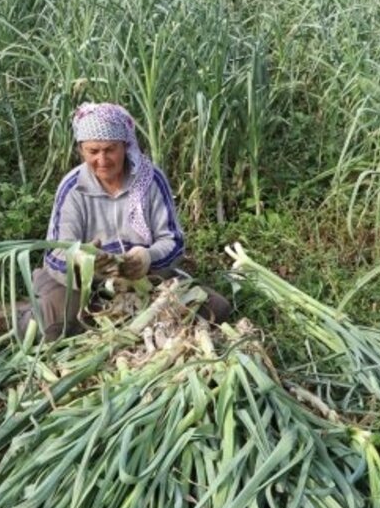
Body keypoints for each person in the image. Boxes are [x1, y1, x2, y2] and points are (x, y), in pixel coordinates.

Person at [18, 102, 232, 341]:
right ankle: (21, 314)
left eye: (110, 149)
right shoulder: (73, 188)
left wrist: (146, 258)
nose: (102, 159)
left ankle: (112, 315)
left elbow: (173, 241)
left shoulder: (150, 180)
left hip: (143, 278)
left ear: (125, 146)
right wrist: (85, 262)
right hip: (83, 285)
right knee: (46, 327)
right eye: (93, 151)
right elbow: (56, 253)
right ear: (81, 150)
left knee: (216, 309)